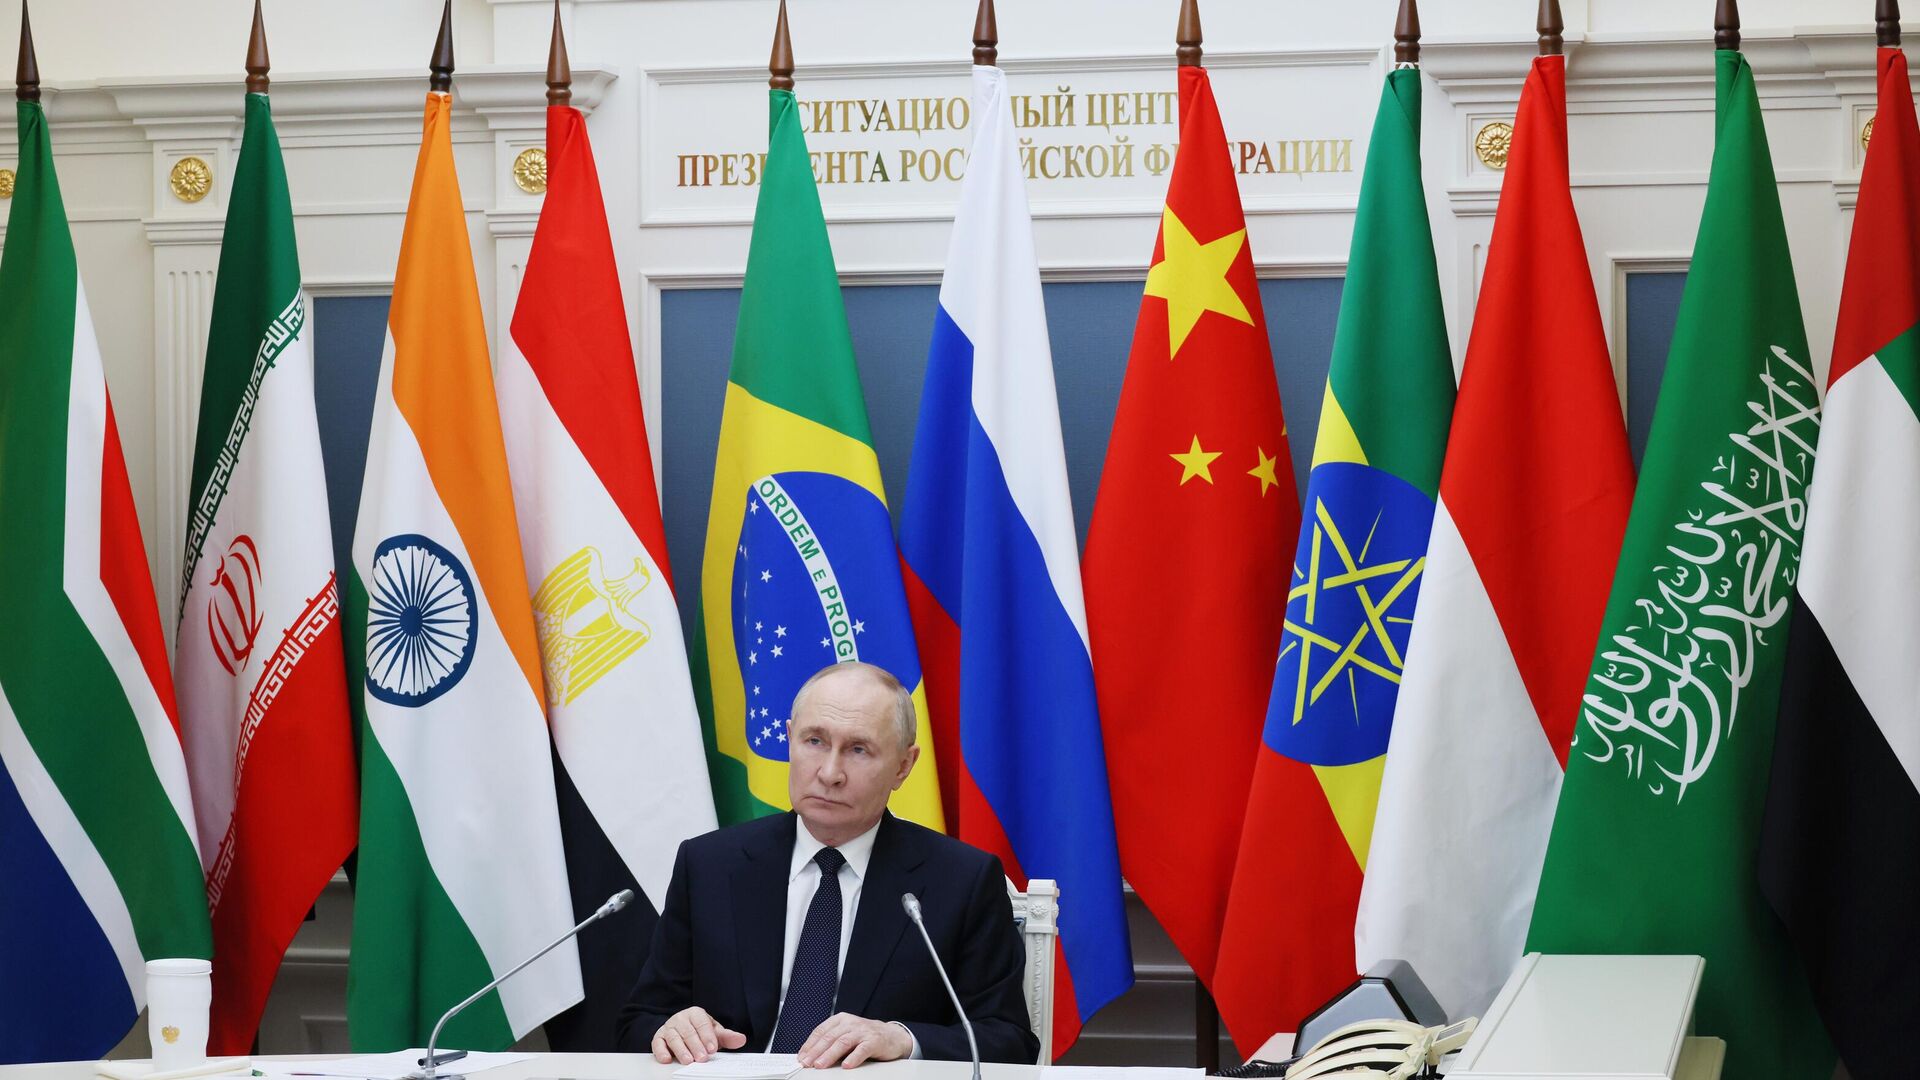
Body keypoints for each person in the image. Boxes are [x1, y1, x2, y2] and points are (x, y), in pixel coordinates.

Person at [617, 661, 1040, 1068]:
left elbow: (1009, 1041)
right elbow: (639, 1021)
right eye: (814, 741)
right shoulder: (708, 865)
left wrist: (901, 1039)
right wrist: (672, 1029)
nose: (830, 772)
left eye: (858, 749)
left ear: (903, 766)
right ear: (790, 740)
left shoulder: (961, 880)